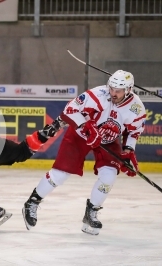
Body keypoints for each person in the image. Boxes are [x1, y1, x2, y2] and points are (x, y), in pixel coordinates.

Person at [22, 70, 146, 235]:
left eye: (118, 90)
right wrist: (85, 126)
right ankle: (32, 202)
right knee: (60, 174)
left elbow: (133, 132)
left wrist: (129, 149)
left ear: (128, 90)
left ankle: (91, 213)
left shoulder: (136, 108)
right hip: (80, 135)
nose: (113, 93)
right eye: (112, 88)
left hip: (108, 140)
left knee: (109, 176)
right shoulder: (97, 94)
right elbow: (69, 109)